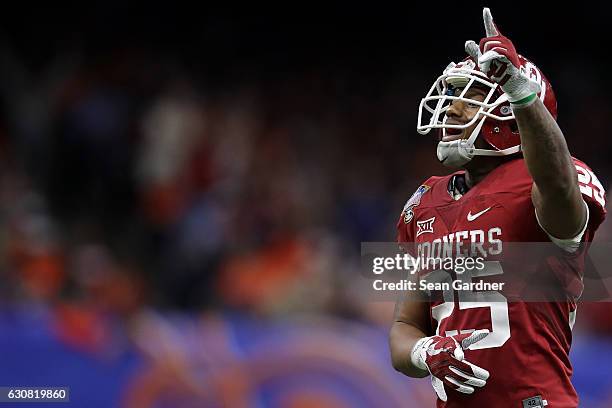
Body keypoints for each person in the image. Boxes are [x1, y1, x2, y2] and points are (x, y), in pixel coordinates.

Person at [389, 8, 606, 407]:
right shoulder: (424, 203)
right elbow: (405, 326)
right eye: (453, 96)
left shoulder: (545, 183)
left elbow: (558, 188)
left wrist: (518, 86)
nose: (451, 110)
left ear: (509, 112)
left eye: (470, 98)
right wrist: (423, 352)